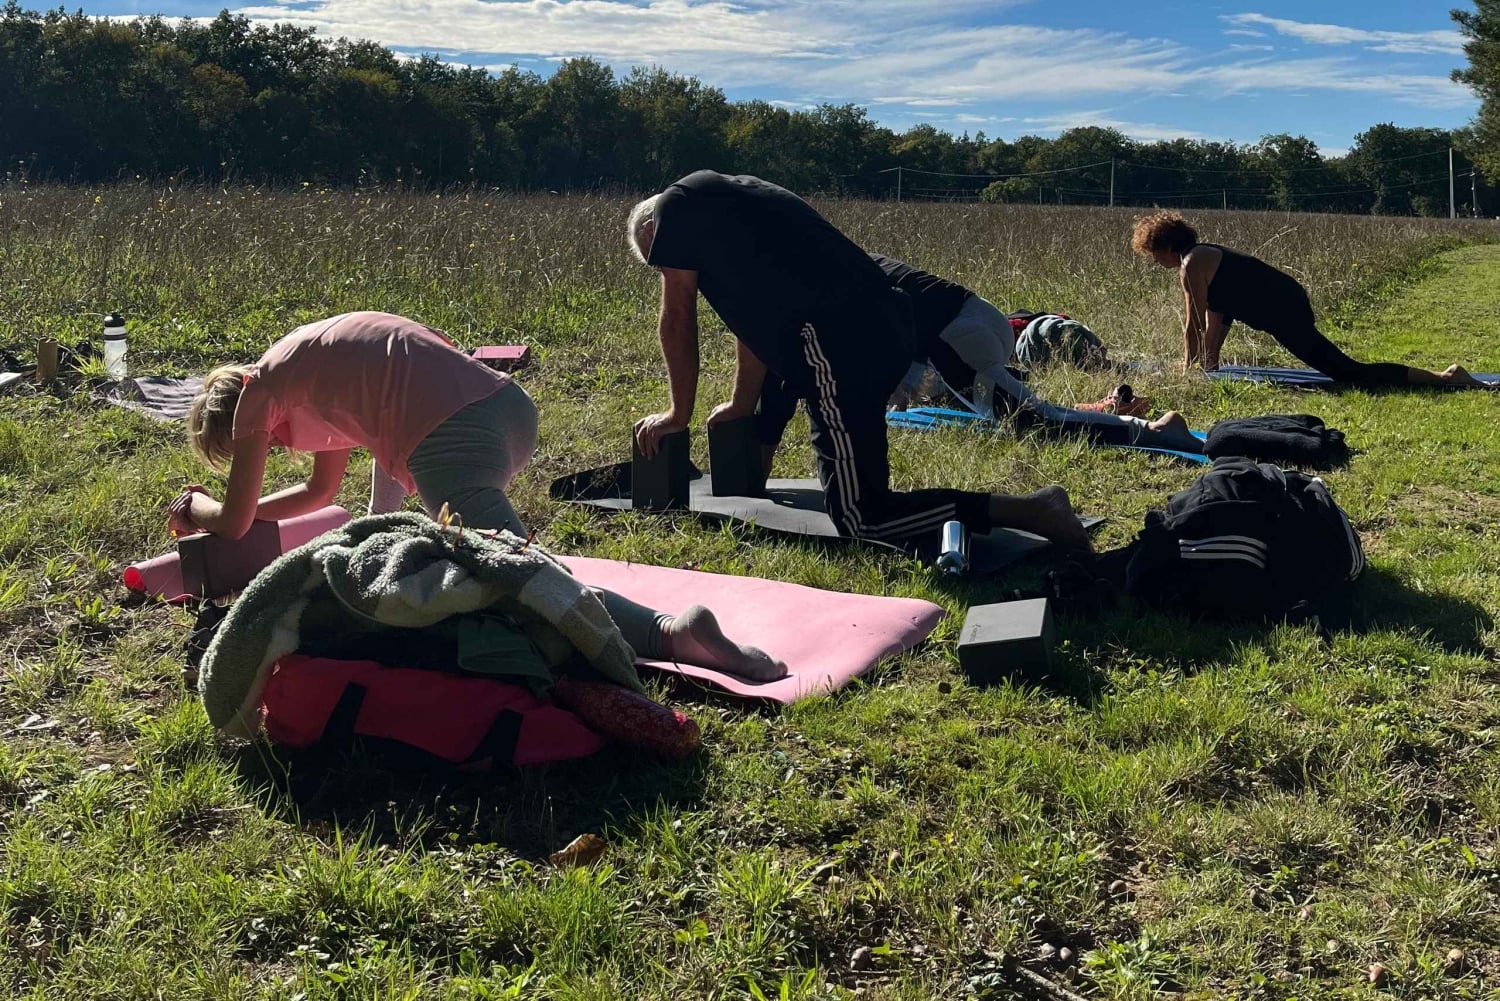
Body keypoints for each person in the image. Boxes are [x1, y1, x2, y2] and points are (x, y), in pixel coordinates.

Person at [174, 310, 785, 681]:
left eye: (258, 446)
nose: (274, 448)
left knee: (517, 573)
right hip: (504, 409)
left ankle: (672, 633)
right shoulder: (305, 361)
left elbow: (234, 521)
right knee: (460, 551)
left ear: (239, 420)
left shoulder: (260, 393)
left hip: (451, 433)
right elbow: (321, 490)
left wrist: (194, 508)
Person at [626, 170, 1091, 549]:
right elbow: (753, 324)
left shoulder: (676, 207)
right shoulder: (734, 206)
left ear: (653, 231)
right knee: (863, 490)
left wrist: (677, 414)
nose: (667, 269)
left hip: (839, 342)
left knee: (861, 518)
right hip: (882, 328)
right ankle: (1024, 509)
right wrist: (741, 405)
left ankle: (1033, 509)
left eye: (659, 262)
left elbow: (678, 317)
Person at [756, 253, 1204, 459]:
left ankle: (1155, 429)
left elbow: (902, 316)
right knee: (1015, 414)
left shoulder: (829, 281)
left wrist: (905, 379)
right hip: (970, 325)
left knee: (1033, 422)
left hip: (962, 332)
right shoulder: (845, 264)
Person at [1131, 211, 1489, 388]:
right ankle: (1444, 376)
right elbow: (1218, 317)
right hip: (1287, 300)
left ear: (1166, 246)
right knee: (1344, 370)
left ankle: (1447, 377)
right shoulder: (1203, 257)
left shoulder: (1191, 263)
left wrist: (1187, 372)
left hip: (1284, 309)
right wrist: (1207, 366)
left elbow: (1193, 323)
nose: (1154, 262)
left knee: (1349, 373)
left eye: (1153, 254)